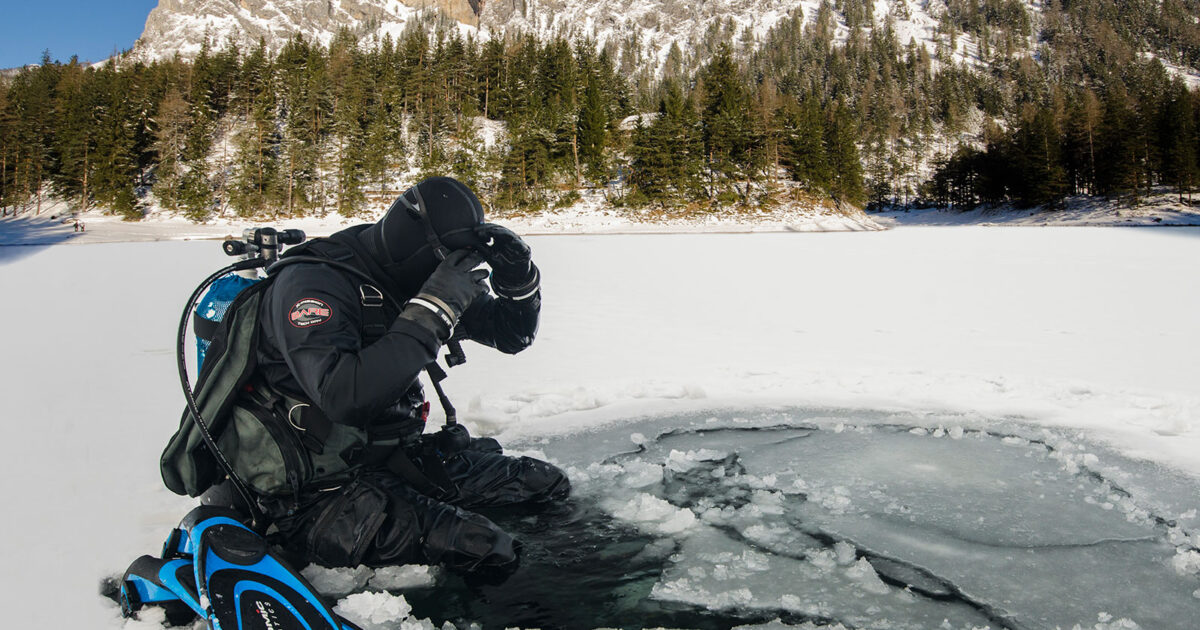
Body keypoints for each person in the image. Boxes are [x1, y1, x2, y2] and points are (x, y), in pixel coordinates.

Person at [204, 177, 569, 576]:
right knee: (488, 549)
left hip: (388, 460)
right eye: (448, 257)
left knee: (543, 482)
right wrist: (433, 309)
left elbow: (511, 335)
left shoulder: (415, 278)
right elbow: (344, 398)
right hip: (310, 495)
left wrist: (519, 281)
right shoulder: (314, 286)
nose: (449, 269)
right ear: (418, 246)